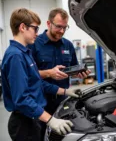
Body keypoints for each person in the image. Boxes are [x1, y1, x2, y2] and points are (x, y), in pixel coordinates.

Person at [1, 8, 80, 141]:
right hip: (25, 122)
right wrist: (50, 120)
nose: (37, 33)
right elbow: (21, 99)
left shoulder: (24, 53)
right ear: (22, 27)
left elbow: (38, 82)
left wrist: (65, 91)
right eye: (35, 29)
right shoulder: (15, 56)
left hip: (34, 117)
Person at [29, 8, 91, 139]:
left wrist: (79, 74)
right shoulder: (34, 44)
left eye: (65, 27)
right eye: (58, 27)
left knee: (61, 136)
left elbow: (72, 70)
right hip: (40, 102)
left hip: (62, 101)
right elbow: (29, 75)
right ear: (48, 23)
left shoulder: (68, 45)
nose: (62, 31)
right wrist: (49, 73)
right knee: (40, 135)